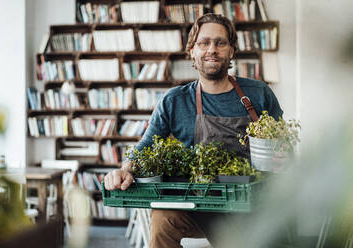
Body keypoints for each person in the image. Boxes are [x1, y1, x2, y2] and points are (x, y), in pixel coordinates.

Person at [104, 13, 283, 248]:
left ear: (231, 51)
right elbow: (143, 149)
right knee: (162, 218)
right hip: (198, 206)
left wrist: (283, 158)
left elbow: (285, 147)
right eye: (203, 42)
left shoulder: (259, 94)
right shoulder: (174, 101)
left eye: (220, 42)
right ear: (192, 51)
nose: (212, 49)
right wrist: (123, 170)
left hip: (249, 207)